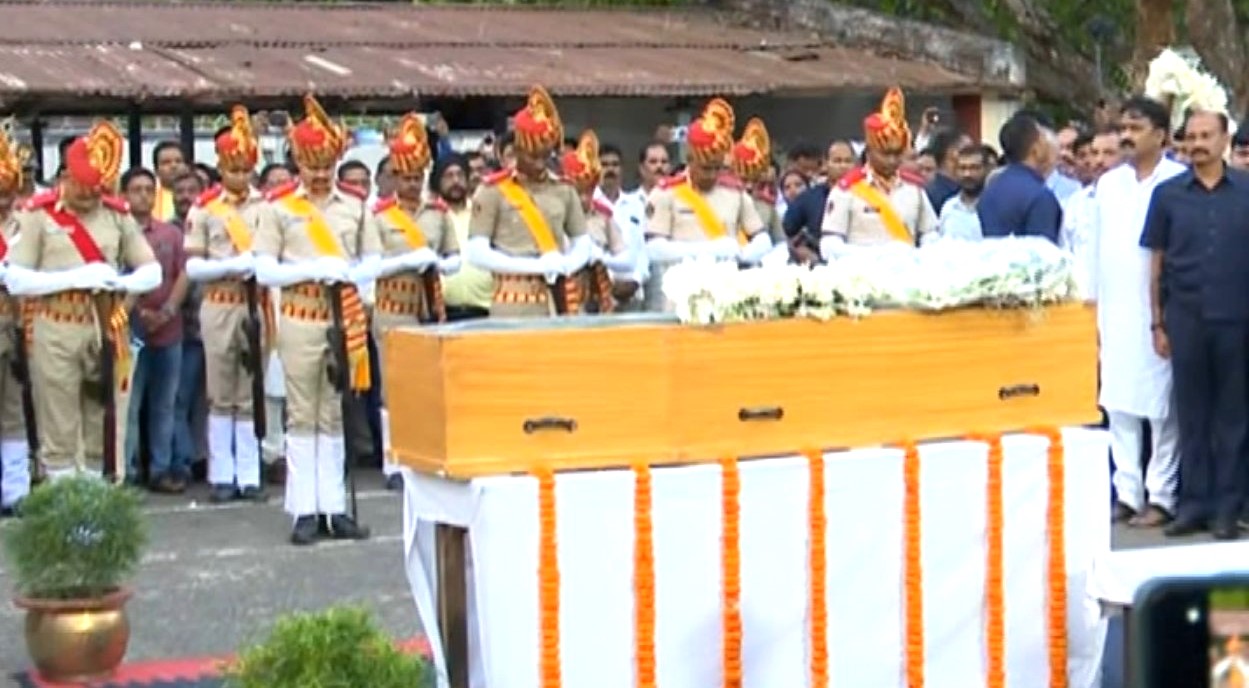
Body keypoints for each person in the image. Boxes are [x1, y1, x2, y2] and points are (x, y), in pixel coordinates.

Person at [253, 94, 378, 545]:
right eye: (312, 165)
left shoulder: (356, 205)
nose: (321, 174)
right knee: (302, 413)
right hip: (301, 314)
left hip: (343, 314)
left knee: (335, 413)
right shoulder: (278, 207)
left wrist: (351, 275)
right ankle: (304, 509)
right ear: (298, 162)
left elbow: (373, 260)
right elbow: (264, 267)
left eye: (327, 165)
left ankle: (335, 506)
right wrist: (310, 271)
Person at [5, 121, 161, 480]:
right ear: (66, 177)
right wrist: (75, 278)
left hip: (103, 326)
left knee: (101, 426)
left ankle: (96, 520)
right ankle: (66, 518)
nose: (90, 196)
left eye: (97, 189)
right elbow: (14, 277)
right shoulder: (37, 214)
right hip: (56, 326)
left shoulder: (115, 215)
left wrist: (118, 281)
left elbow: (151, 271)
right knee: (59, 428)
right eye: (83, 187)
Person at [1141, 109, 1248, 541]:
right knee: (1191, 416)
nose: (1198, 143)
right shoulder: (1167, 196)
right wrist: (1157, 324)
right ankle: (1193, 505)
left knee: (1233, 418)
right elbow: (1156, 263)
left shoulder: (1246, 191)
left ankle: (1227, 507)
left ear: (1226, 140)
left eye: (1207, 135)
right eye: (1192, 137)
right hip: (1184, 319)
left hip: (1237, 320)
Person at [1093, 96, 1186, 528]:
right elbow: (1096, 249)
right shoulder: (1109, 184)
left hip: (1159, 311)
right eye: (1123, 126)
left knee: (1162, 409)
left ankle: (1162, 495)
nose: (1126, 135)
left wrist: (1164, 315)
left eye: (1136, 127)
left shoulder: (1178, 182)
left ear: (1161, 135)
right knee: (1119, 404)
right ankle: (1126, 493)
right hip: (1114, 311)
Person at [184, 106, 270, 503]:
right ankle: (222, 472)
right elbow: (194, 264)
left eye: (245, 170)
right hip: (219, 300)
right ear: (221, 168)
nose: (239, 177)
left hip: (256, 302)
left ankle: (250, 473)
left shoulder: (267, 206)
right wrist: (233, 265)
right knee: (220, 389)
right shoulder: (204, 208)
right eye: (232, 170)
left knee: (250, 387)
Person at [370, 112, 461, 489]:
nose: (411, 183)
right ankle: (394, 461)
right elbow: (372, 263)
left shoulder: (437, 214)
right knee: (393, 390)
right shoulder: (378, 216)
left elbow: (455, 258)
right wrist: (406, 261)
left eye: (417, 177)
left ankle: (419, 457)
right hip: (392, 308)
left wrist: (438, 263)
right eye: (405, 177)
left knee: (424, 389)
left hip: (427, 308)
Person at [465, 85, 592, 317]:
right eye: (533, 156)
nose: (541, 163)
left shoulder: (564, 189)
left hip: (557, 297)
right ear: (517, 151)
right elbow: (476, 252)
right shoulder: (492, 190)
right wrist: (534, 267)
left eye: (547, 155)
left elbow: (582, 242)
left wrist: (566, 264)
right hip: (512, 299)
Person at [644, 98, 769, 310]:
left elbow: (763, 238)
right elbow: (654, 249)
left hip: (727, 295)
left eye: (716, 168)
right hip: (680, 298)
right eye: (705, 168)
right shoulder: (666, 193)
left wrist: (741, 253)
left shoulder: (735, 192)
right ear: (690, 159)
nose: (711, 174)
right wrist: (708, 251)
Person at [122, 167, 189, 493]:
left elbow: (183, 274)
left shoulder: (170, 233)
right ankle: (129, 470)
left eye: (149, 189)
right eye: (136, 189)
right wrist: (138, 311)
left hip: (168, 330)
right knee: (130, 404)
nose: (144, 195)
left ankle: (160, 469)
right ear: (124, 195)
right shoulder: (117, 232)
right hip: (128, 330)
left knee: (165, 403)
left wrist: (166, 311)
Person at [819, 87, 938, 260]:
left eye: (897, 154)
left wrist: (923, 254)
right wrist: (877, 256)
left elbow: (930, 233)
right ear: (869, 152)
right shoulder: (847, 190)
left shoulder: (914, 189)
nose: (891, 161)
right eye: (885, 154)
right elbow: (829, 245)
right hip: (862, 278)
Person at [560, 129, 635, 313]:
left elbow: (627, 259)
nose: (585, 199)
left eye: (589, 191)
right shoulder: (553, 215)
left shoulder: (603, 215)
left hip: (599, 295)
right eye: (579, 193)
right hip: (563, 295)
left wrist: (603, 257)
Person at [0, 128, 30, 515]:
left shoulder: (27, 223)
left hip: (16, 323)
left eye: (7, 193)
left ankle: (16, 489)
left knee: (14, 409)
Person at [976, 112, 1063, 244]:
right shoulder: (1040, 196)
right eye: (1043, 140)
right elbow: (1044, 254)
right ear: (1036, 150)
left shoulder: (990, 191)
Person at [729, 117, 786, 264]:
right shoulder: (715, 201)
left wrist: (772, 260)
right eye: (743, 180)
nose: (748, 186)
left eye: (752, 181)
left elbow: (780, 243)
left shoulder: (766, 207)